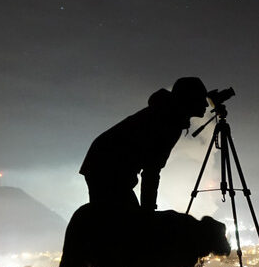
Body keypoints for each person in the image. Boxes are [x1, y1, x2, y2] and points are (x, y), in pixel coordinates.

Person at [79, 77, 208, 213]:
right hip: (105, 165)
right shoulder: (167, 122)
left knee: (118, 219)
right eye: (202, 99)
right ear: (189, 99)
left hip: (102, 162)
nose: (206, 104)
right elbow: (151, 170)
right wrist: (148, 211)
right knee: (121, 220)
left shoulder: (166, 114)